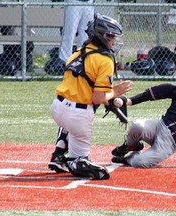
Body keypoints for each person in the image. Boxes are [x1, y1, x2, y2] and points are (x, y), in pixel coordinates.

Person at [49, 14, 133, 180]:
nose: (114, 41)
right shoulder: (104, 59)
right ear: (102, 36)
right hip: (78, 116)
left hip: (57, 108)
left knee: (68, 122)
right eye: (112, 37)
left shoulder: (79, 51)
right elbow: (97, 99)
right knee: (93, 169)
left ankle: (58, 154)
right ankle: (75, 161)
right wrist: (115, 92)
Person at [54, 0, 95, 73]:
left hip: (89, 3)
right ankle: (64, 61)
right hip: (74, 2)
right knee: (69, 32)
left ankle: (82, 60)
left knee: (86, 35)